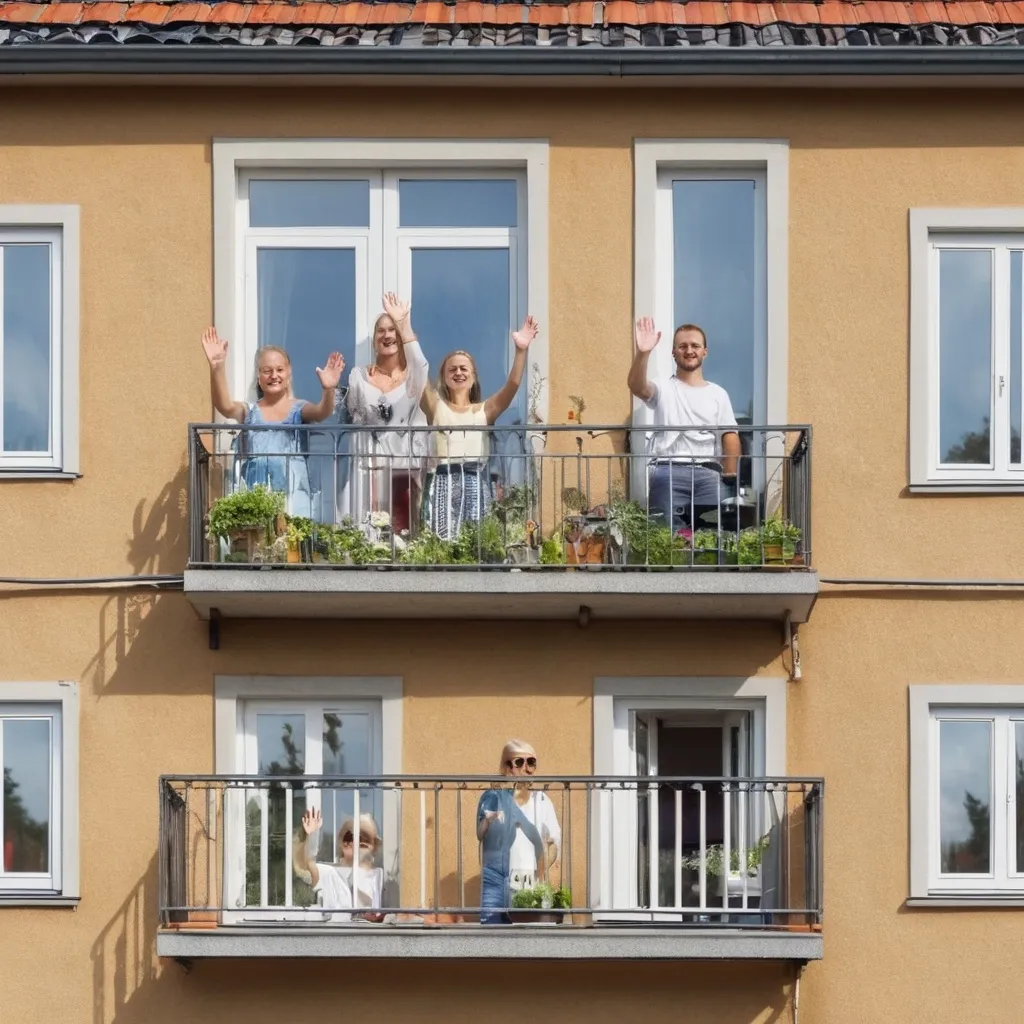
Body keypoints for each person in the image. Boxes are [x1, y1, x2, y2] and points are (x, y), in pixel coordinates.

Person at [201, 327, 344, 517]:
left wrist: (328, 390)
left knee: (292, 545)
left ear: (288, 374)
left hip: (293, 502)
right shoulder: (250, 412)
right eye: (267, 371)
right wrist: (217, 367)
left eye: (279, 370)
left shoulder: (298, 408)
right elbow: (224, 405)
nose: (274, 376)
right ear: (259, 377)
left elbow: (321, 412)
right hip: (256, 500)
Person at [419, 317, 538, 540]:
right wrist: (407, 336)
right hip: (443, 481)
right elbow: (419, 375)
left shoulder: (485, 410)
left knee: (477, 542)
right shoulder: (437, 407)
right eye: (452, 369)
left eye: (464, 369)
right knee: (442, 543)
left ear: (473, 378)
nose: (458, 373)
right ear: (444, 378)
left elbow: (512, 386)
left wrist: (521, 350)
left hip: (475, 481)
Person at [627, 317, 740, 531]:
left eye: (695, 345)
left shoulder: (718, 394)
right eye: (682, 346)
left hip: (709, 472)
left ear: (704, 351)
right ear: (674, 352)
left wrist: (730, 478)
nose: (689, 350)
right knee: (665, 540)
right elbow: (636, 386)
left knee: (715, 539)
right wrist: (643, 353)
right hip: (668, 470)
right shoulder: (663, 388)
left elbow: (730, 436)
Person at [345, 294, 430, 536]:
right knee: (369, 531)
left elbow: (422, 364)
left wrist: (404, 323)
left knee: (402, 532)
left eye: (392, 330)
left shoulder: (413, 376)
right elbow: (354, 419)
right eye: (381, 331)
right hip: (369, 465)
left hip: (404, 465)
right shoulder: (358, 376)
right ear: (374, 341)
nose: (387, 335)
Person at [476, 739, 559, 925]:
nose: (527, 768)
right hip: (495, 879)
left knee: (528, 943)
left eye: (532, 762)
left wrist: (540, 875)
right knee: (492, 937)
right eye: (520, 762)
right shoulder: (492, 797)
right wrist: (490, 819)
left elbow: (553, 845)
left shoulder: (542, 801)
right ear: (507, 767)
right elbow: (480, 834)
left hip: (528, 881)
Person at [293, 807, 384, 922]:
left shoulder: (379, 876)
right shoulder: (329, 872)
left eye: (364, 839)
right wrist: (305, 835)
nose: (355, 842)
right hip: (335, 935)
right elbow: (302, 867)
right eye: (349, 837)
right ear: (342, 842)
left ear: (373, 845)